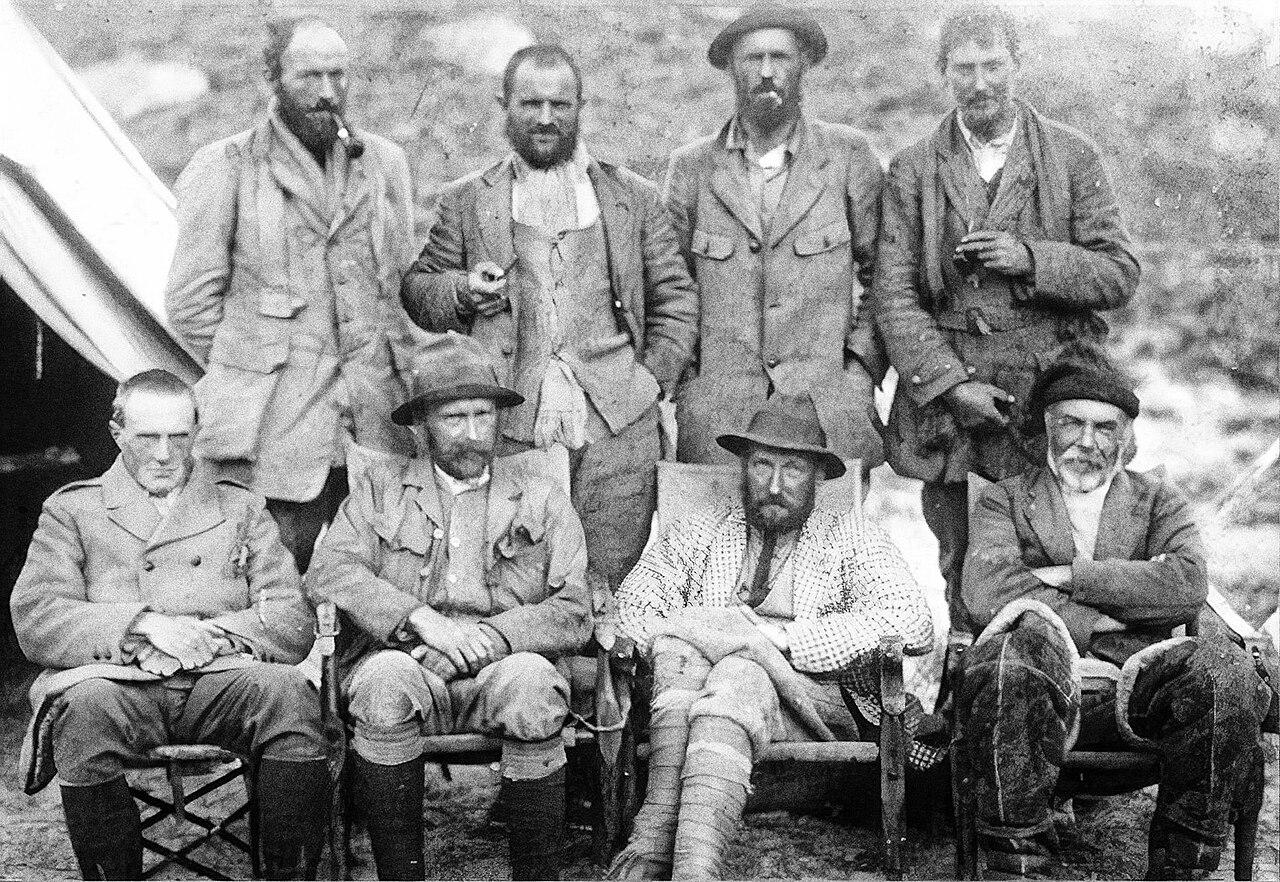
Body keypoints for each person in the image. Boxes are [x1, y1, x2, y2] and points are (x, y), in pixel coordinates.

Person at [956, 347, 1274, 878]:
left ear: (1125, 438)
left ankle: (1182, 865)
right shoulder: (1004, 500)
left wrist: (1077, 576)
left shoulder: (1158, 502)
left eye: (1104, 428)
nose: (1086, 442)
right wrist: (1107, 617)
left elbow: (1188, 583)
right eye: (1072, 424)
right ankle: (1019, 865)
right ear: (1047, 428)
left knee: (1224, 672)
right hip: (1033, 689)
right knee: (1012, 654)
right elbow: (988, 588)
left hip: (1135, 687)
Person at [871, 4, 1141, 631]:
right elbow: (894, 294)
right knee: (960, 555)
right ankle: (966, 687)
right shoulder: (914, 169)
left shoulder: (1072, 157)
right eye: (963, 69)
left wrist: (1031, 259)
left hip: (1050, 395)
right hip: (956, 406)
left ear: (1019, 67)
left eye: (994, 65)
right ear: (943, 75)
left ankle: (1063, 680)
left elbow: (1118, 273)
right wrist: (951, 384)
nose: (981, 83)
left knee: (1064, 548)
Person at [401, 44, 698, 591]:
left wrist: (649, 381)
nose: (544, 118)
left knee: (610, 578)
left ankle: (612, 676)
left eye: (559, 104)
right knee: (521, 574)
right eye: (529, 103)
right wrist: (462, 290)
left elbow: (675, 301)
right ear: (505, 106)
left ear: (580, 106)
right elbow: (419, 292)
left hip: (618, 430)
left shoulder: (633, 199)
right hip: (511, 429)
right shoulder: (467, 202)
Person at [10, 369, 324, 880]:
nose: (163, 454)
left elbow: (290, 616)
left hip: (221, 679)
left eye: (178, 437)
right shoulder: (74, 511)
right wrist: (146, 625)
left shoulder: (240, 506)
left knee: (289, 694)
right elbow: (37, 616)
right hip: (121, 683)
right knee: (82, 710)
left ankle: (288, 876)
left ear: (197, 434)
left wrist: (213, 634)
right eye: (147, 436)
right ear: (118, 434)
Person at [608, 393, 935, 880]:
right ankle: (693, 870)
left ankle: (655, 837)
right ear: (743, 467)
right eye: (762, 465)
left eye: (794, 470)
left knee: (721, 658)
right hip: (714, 707)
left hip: (819, 706)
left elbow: (912, 621)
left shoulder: (852, 535)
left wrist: (785, 640)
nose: (775, 486)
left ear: (818, 478)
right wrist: (736, 637)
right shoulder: (696, 531)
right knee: (730, 668)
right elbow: (632, 611)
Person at [308, 332, 592, 881]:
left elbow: (575, 606)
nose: (470, 433)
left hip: (506, 666)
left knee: (535, 686)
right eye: (452, 418)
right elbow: (329, 572)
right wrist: (424, 623)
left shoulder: (539, 494)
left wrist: (487, 641)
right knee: (383, 686)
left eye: (482, 414)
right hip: (408, 659)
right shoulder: (379, 491)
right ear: (422, 426)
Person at [166, 13, 423, 571]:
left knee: (383, 592)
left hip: (377, 424)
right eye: (309, 77)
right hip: (273, 439)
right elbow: (190, 304)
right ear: (273, 82)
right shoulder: (226, 166)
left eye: (338, 76)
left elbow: (402, 287)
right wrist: (256, 364)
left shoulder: (384, 165)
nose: (328, 93)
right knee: (269, 590)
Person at [663, 6, 885, 473]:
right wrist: (690, 384)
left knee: (828, 542)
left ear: (803, 65)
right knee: (709, 541)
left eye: (781, 58)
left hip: (825, 414)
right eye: (752, 59)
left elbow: (885, 275)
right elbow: (669, 285)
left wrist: (858, 375)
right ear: (730, 69)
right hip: (718, 419)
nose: (767, 73)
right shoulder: (692, 168)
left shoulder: (848, 157)